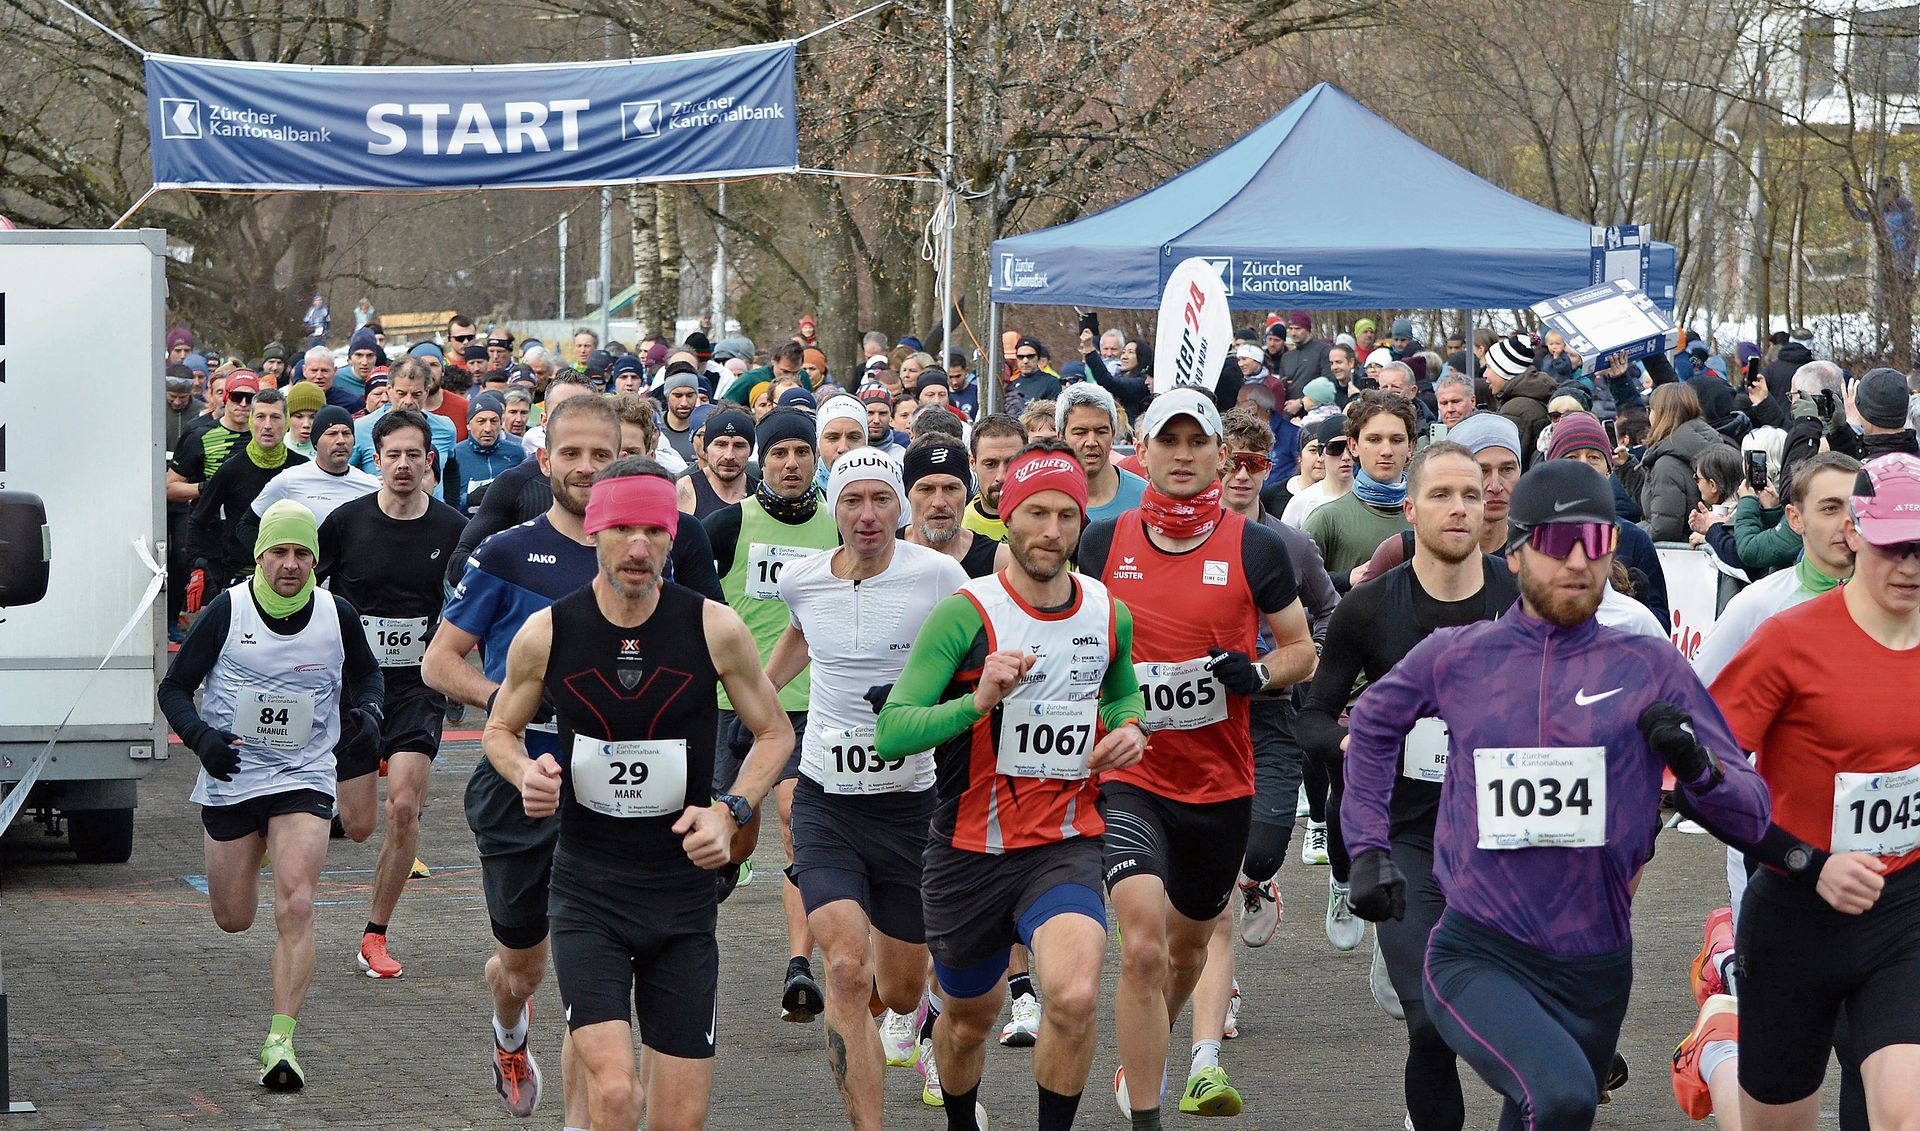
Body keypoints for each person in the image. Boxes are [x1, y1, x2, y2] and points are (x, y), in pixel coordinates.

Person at [1340, 460, 1771, 1131]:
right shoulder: (1460, 655)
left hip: (1597, 966)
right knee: (1563, 1097)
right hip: (1479, 953)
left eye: (1595, 541)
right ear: (1514, 552)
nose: (1577, 561)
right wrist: (1367, 846)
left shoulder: (1649, 665)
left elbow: (1752, 812)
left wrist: (1697, 768)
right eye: (1555, 542)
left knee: (1544, 1113)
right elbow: (1370, 725)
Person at [484, 458, 793, 1131]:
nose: (637, 547)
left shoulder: (714, 628)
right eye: (622, 528)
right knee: (617, 1093)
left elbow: (774, 733)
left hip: (683, 898)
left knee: (678, 1121)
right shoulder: (549, 632)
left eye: (654, 530)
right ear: (593, 531)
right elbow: (500, 731)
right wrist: (524, 772)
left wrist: (731, 808)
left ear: (672, 535)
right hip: (588, 892)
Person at [877, 444, 1148, 1131]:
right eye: (1036, 513)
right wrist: (977, 702)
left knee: (1074, 996)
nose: (1051, 531)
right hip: (968, 850)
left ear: (1082, 522)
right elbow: (893, 731)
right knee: (970, 1019)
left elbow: (1122, 694)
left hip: (1065, 842)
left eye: (1066, 515)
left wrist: (1130, 728)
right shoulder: (966, 613)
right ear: (1006, 515)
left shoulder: (1108, 612)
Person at [1076, 389, 1317, 1124]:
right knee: (1143, 949)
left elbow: (1302, 650)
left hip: (1218, 783)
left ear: (1219, 454)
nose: (1182, 456)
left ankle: (1144, 1052)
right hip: (1130, 775)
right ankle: (1148, 1111)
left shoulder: (1257, 548)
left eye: (1196, 442)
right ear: (1143, 451)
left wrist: (1259, 673)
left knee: (1184, 955)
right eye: (1168, 441)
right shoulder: (1102, 542)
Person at [1300, 442, 1516, 1131]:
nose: (1459, 508)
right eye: (1442, 495)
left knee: (1529, 1015)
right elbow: (1311, 715)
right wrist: (1350, 742)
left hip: (1508, 836)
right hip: (1406, 835)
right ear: (1411, 508)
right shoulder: (1369, 608)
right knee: (1430, 1022)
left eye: (1471, 495)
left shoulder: (1521, 597)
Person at [422, 394, 623, 1124]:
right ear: (544, 461)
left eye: (601, 454)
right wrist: (509, 701)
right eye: (571, 453)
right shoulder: (508, 552)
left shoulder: (642, 554)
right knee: (523, 969)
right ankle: (509, 1032)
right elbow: (440, 662)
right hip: (517, 787)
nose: (586, 467)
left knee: (593, 971)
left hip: (612, 790)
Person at [1708, 452, 1920, 1131]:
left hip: (1904, 910)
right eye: (1893, 546)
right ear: (1856, 533)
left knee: (1904, 1113)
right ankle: (1716, 1049)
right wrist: (1808, 861)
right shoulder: (1788, 640)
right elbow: (1701, 778)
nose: (1910, 565)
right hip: (1795, 911)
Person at [760, 448, 969, 1124]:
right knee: (846, 968)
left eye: (882, 499)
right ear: (835, 507)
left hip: (911, 806)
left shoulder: (938, 575)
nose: (868, 514)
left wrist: (923, 700)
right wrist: (756, 700)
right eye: (853, 499)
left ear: (899, 507)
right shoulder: (803, 579)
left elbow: (973, 657)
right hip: (826, 800)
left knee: (902, 991)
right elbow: (800, 637)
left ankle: (914, 1014)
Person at [157, 500, 384, 1090]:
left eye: (302, 553)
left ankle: (281, 1041)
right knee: (233, 918)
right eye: (279, 552)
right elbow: (174, 687)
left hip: (302, 774)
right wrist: (202, 739)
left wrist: (369, 712)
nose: (290, 564)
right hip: (233, 775)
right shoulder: (227, 610)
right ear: (260, 556)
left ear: (315, 559)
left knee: (298, 904)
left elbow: (368, 674)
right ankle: (257, 849)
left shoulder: (336, 614)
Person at [1180, 408, 1339, 1103]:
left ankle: (1257, 882)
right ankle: (1222, 987)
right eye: (1233, 462)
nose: (1242, 475)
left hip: (1271, 712)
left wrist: (1286, 662)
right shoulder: (1180, 537)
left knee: (1265, 851)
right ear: (1216, 463)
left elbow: (1328, 616)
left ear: (1268, 468)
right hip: (1193, 719)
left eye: (1255, 463)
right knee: (1203, 880)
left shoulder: (1289, 544)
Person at [317, 410, 469, 978]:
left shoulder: (453, 529)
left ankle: (375, 935)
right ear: (375, 460)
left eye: (413, 455)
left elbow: (474, 602)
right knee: (358, 826)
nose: (403, 465)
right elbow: (305, 590)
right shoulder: (345, 522)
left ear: (429, 461)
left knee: (404, 807)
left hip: (417, 686)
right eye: (392, 455)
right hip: (355, 685)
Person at [702, 408, 841, 1022]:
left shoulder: (840, 525)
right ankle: (727, 872)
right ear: (764, 459)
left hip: (813, 703)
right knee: (740, 832)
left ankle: (799, 966)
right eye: (779, 452)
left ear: (816, 459)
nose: (790, 464)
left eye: (801, 452)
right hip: (731, 705)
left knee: (794, 820)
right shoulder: (728, 525)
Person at [189, 385, 308, 594]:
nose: (267, 425)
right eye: (261, 417)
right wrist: (202, 568)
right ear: (251, 421)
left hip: (294, 575)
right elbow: (198, 520)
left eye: (275, 417)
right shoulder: (231, 469)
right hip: (239, 575)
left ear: (287, 422)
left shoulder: (302, 468)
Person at [1305, 391, 1416, 590]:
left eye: (1396, 440)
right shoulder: (1327, 519)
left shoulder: (1428, 516)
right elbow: (1296, 587)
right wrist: (1345, 579)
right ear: (1353, 445)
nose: (1386, 451)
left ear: (1411, 447)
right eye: (1374, 439)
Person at [1637, 382, 1722, 543]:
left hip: (1680, 553)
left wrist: (1629, 533)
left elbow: (1663, 529)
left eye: (1650, 410)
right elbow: (1655, 499)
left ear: (1661, 414)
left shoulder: (1666, 465)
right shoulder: (1712, 444)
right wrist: (1625, 467)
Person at [903, 436, 998, 577]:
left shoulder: (1000, 561)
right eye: (926, 489)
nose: (939, 503)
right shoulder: (883, 554)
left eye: (951, 488)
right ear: (908, 494)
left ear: (966, 493)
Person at [1056, 383, 1147, 523]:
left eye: (1101, 432)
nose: (1091, 442)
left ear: (1113, 433)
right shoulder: (1043, 498)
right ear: (1061, 437)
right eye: (1080, 432)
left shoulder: (1143, 497)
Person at [448, 392, 527, 515]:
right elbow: (443, 502)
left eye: (494, 421)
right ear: (468, 425)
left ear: (501, 424)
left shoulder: (517, 453)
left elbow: (527, 494)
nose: (488, 429)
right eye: (481, 421)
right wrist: (468, 499)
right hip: (466, 524)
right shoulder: (454, 455)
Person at [677, 407, 758, 518]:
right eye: (721, 445)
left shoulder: (761, 494)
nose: (729, 456)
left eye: (739, 446)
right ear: (706, 448)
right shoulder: (684, 490)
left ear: (751, 451)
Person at [962, 414, 1029, 543]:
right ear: (972, 462)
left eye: (1012, 463)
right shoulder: (960, 526)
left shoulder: (1050, 522)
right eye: (990, 464)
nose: (1001, 477)